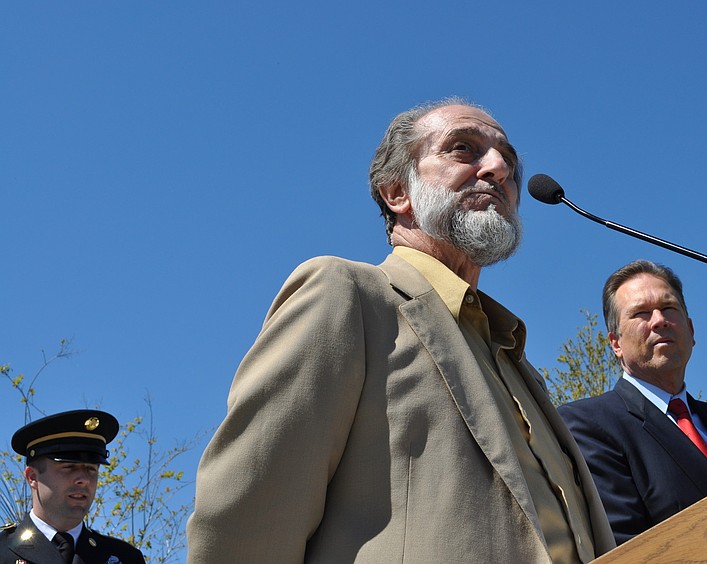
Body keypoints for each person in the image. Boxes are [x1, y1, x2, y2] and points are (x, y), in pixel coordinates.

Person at [187, 98, 615, 563]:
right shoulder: (346, 294)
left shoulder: (515, 357)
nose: (497, 169)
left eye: (507, 161)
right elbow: (247, 518)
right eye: (464, 149)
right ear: (397, 193)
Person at [558, 259, 707, 545]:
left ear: (691, 331)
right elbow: (626, 547)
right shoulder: (588, 424)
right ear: (615, 343)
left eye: (669, 308)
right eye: (641, 313)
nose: (659, 320)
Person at [0, 409, 146, 564]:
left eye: (91, 469)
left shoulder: (125, 557)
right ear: (32, 477)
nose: (84, 479)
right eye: (69, 467)